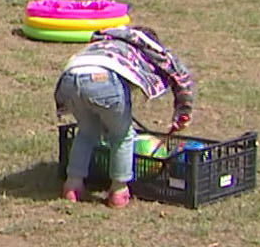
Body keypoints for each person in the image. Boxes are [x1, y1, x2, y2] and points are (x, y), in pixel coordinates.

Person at [54, 25, 195, 208]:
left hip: (69, 78)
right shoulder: (149, 48)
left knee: (87, 133)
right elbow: (180, 76)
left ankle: (73, 185)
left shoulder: (105, 41)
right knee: (122, 135)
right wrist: (183, 114)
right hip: (105, 79)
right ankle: (119, 191)